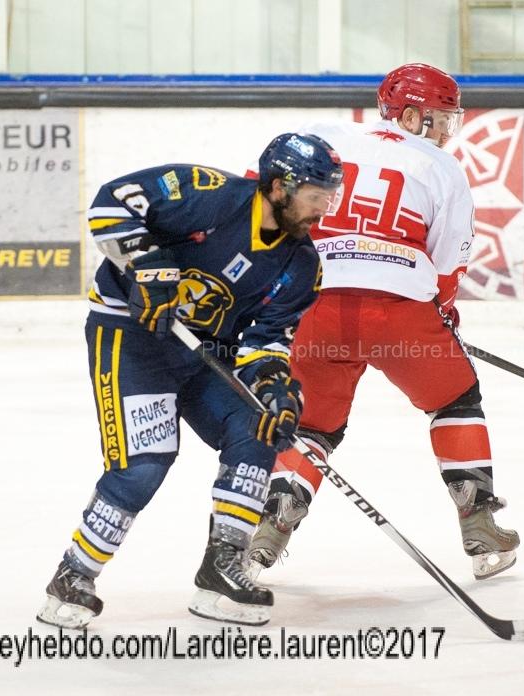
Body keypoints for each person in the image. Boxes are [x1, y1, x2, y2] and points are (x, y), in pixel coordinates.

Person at [36, 133, 344, 629]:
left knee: (257, 425)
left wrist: (275, 387)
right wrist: (146, 264)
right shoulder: (210, 195)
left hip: (207, 351)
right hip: (132, 336)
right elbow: (112, 202)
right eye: (315, 196)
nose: (323, 210)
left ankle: (221, 569)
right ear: (279, 187)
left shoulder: (301, 264)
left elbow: (267, 340)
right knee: (145, 462)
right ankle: (73, 576)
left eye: (329, 198)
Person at [247, 63, 520, 582]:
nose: (445, 132)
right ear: (411, 116)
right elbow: (447, 269)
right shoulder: (442, 168)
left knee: (310, 425)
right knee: (455, 401)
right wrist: (442, 315)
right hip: (399, 312)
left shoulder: (323, 136)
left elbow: (262, 205)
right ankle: (479, 520)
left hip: (316, 306)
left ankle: (270, 526)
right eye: (439, 119)